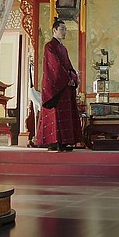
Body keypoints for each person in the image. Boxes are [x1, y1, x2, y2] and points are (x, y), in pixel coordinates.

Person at [37, 18, 83, 152]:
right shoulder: (49, 46)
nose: (64, 32)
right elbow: (54, 66)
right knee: (56, 114)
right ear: (54, 30)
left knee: (66, 114)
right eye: (62, 29)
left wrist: (73, 77)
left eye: (65, 29)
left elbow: (68, 66)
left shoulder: (63, 48)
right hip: (55, 87)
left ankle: (66, 141)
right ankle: (55, 142)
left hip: (65, 85)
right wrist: (67, 78)